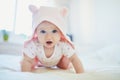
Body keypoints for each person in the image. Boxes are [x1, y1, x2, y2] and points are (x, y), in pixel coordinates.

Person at [21, 5, 84, 74]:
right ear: (36, 32)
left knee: (64, 65)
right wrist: (25, 75)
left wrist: (80, 74)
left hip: (58, 60)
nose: (48, 37)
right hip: (40, 61)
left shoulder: (62, 44)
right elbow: (26, 60)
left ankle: (62, 62)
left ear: (61, 32)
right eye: (43, 31)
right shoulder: (34, 44)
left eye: (54, 31)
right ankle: (38, 63)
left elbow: (74, 59)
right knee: (29, 60)